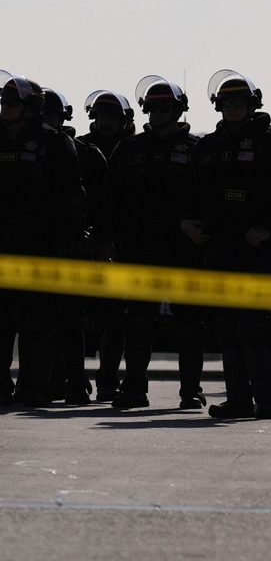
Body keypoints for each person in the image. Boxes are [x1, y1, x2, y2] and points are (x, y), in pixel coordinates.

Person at [180, 70, 271, 420]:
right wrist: (186, 221)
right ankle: (238, 398)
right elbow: (188, 192)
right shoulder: (206, 146)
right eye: (227, 103)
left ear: (253, 105)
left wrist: (270, 228)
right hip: (215, 246)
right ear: (218, 106)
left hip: (252, 247)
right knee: (226, 325)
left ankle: (266, 398)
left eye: (240, 103)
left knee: (252, 323)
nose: (233, 109)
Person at [97, 75, 206, 409]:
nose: (158, 114)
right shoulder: (128, 149)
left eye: (165, 108)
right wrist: (104, 240)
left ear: (178, 110)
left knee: (189, 323)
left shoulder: (197, 150)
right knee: (138, 323)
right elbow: (108, 199)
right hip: (138, 248)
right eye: (153, 108)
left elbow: (208, 198)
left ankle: (191, 391)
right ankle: (134, 389)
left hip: (184, 250)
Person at [0, 73, 85, 407]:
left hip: (42, 250)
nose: (6, 106)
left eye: (14, 101)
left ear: (32, 107)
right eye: (4, 101)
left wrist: (64, 244)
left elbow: (74, 199)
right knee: (2, 324)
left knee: (39, 324)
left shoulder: (54, 143)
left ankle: (37, 388)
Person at [41, 88, 106, 404]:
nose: (46, 122)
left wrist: (93, 238)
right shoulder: (17, 150)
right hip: (32, 248)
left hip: (74, 248)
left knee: (71, 321)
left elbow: (103, 203)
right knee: (35, 321)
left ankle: (76, 383)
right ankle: (45, 383)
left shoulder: (86, 155)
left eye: (51, 115)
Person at [81, 90, 136, 401]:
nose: (106, 123)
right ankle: (69, 379)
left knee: (114, 321)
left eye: (112, 118)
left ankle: (107, 381)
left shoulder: (132, 150)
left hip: (120, 245)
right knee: (73, 318)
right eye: (102, 117)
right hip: (84, 243)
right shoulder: (80, 150)